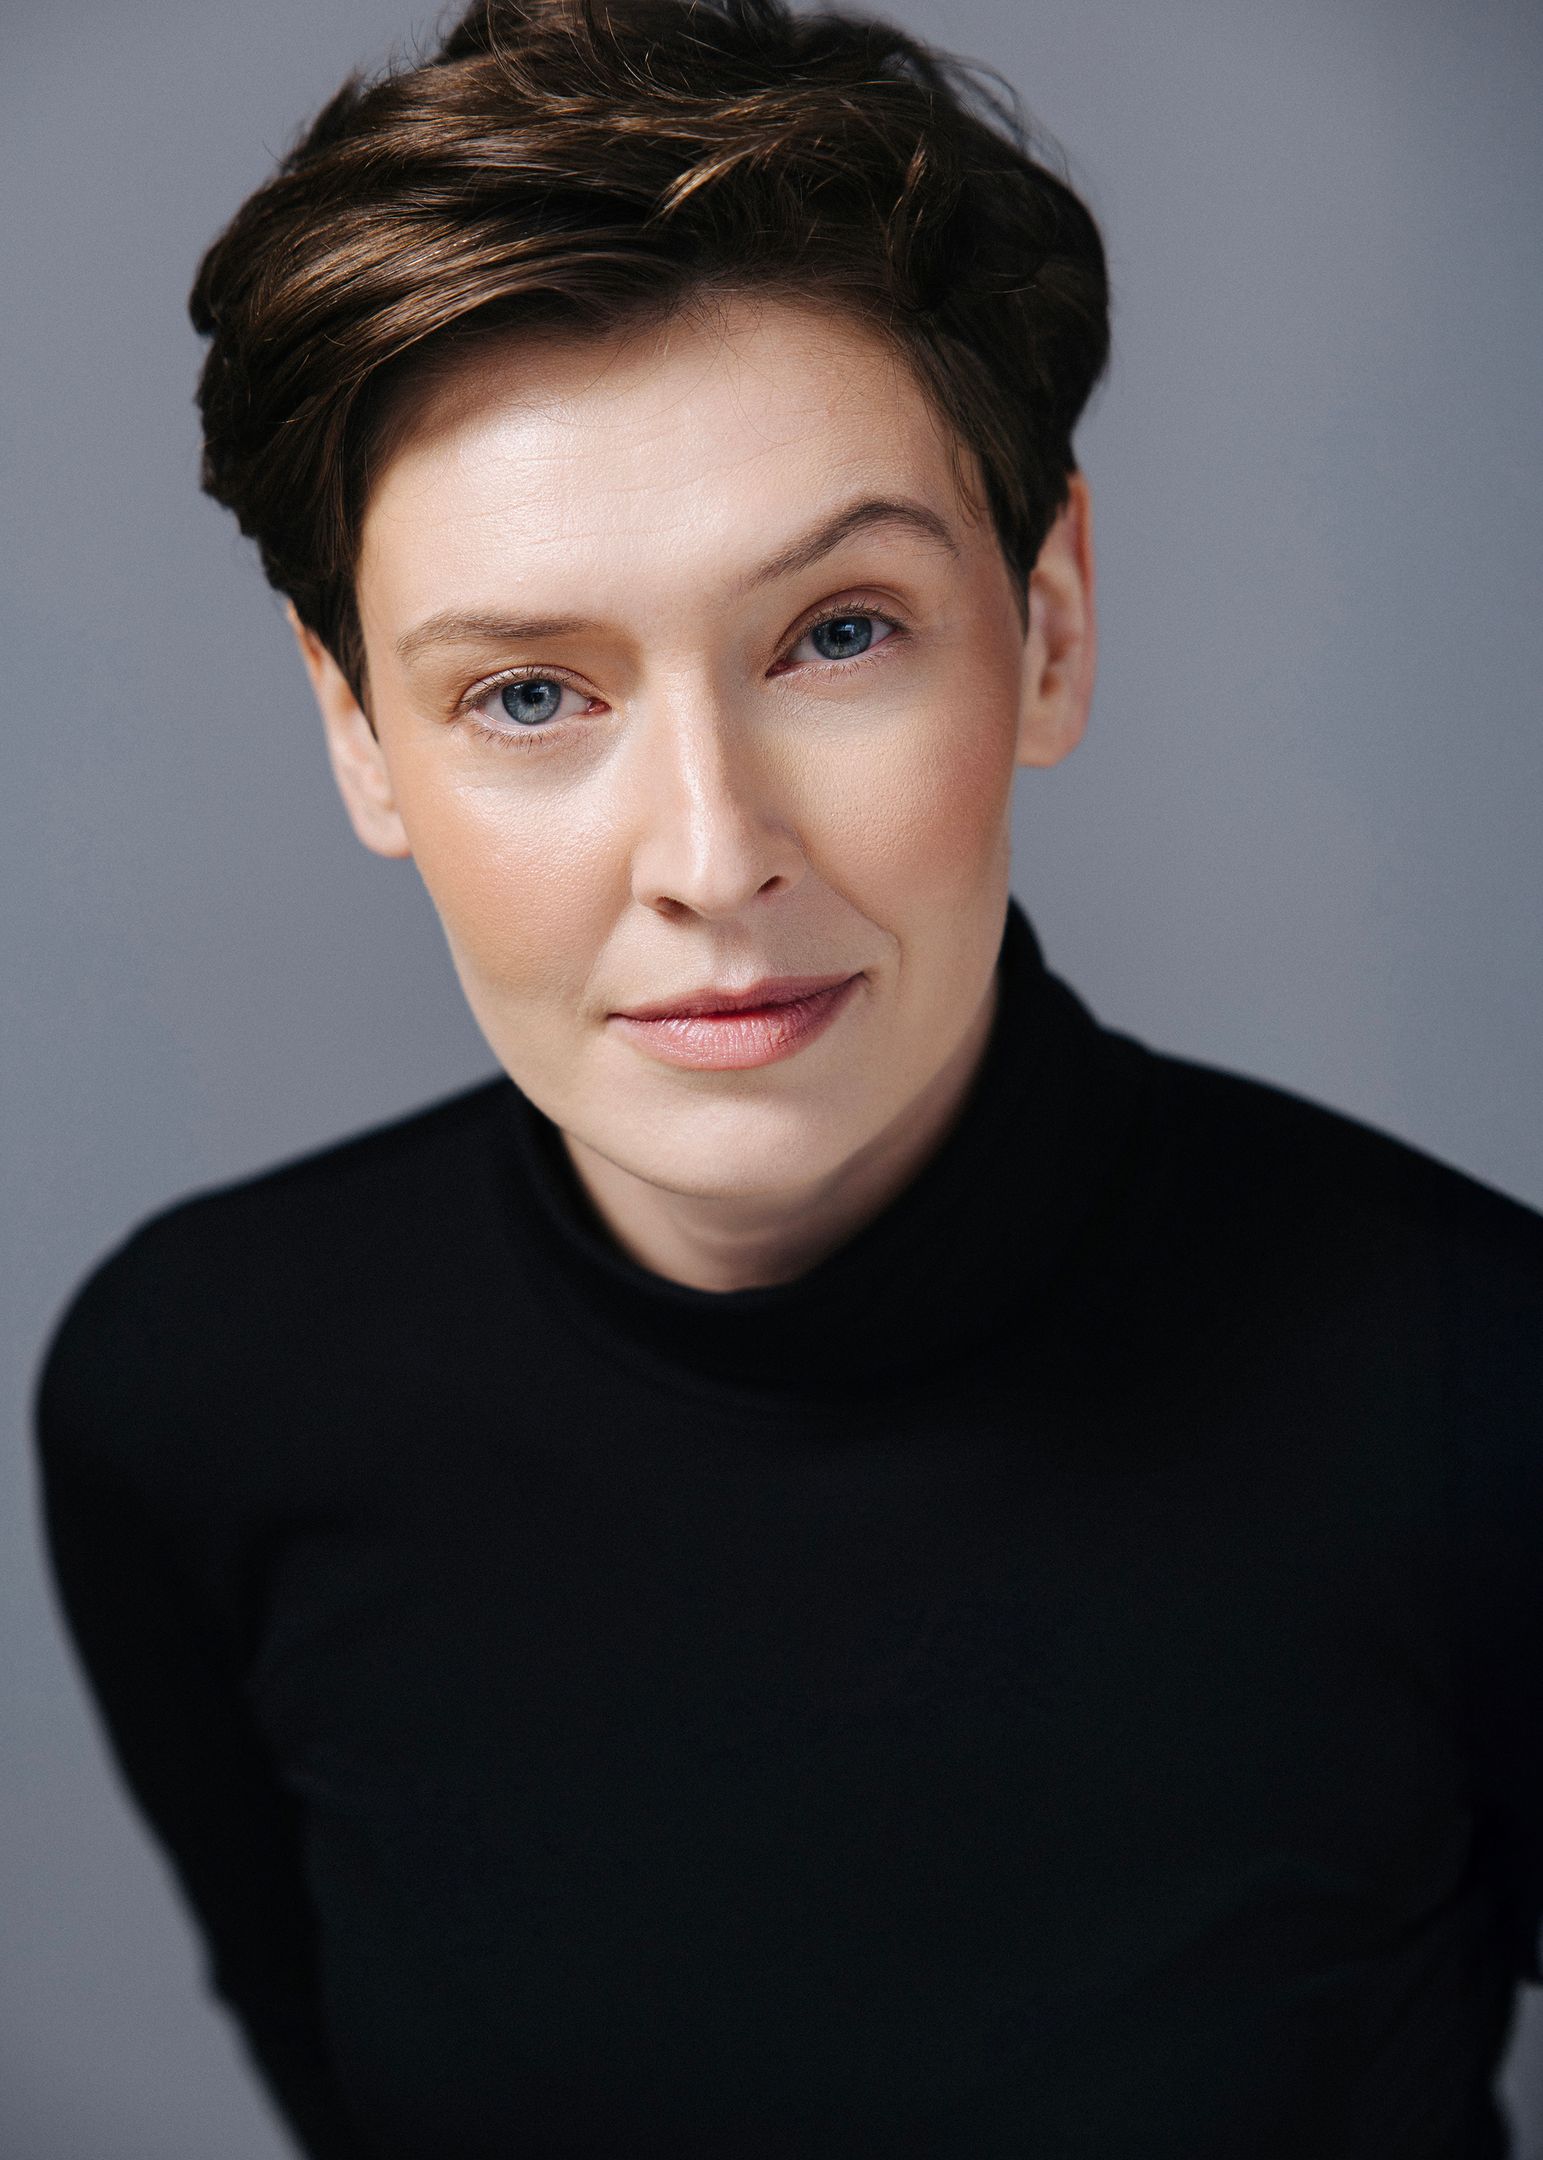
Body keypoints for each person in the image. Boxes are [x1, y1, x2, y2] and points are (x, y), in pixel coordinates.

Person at [30, 1, 1543, 2154]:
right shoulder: (195, 1395)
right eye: (529, 692)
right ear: (360, 734)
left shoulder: (1487, 1396)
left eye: (838, 633)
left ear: (1048, 623)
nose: (712, 852)